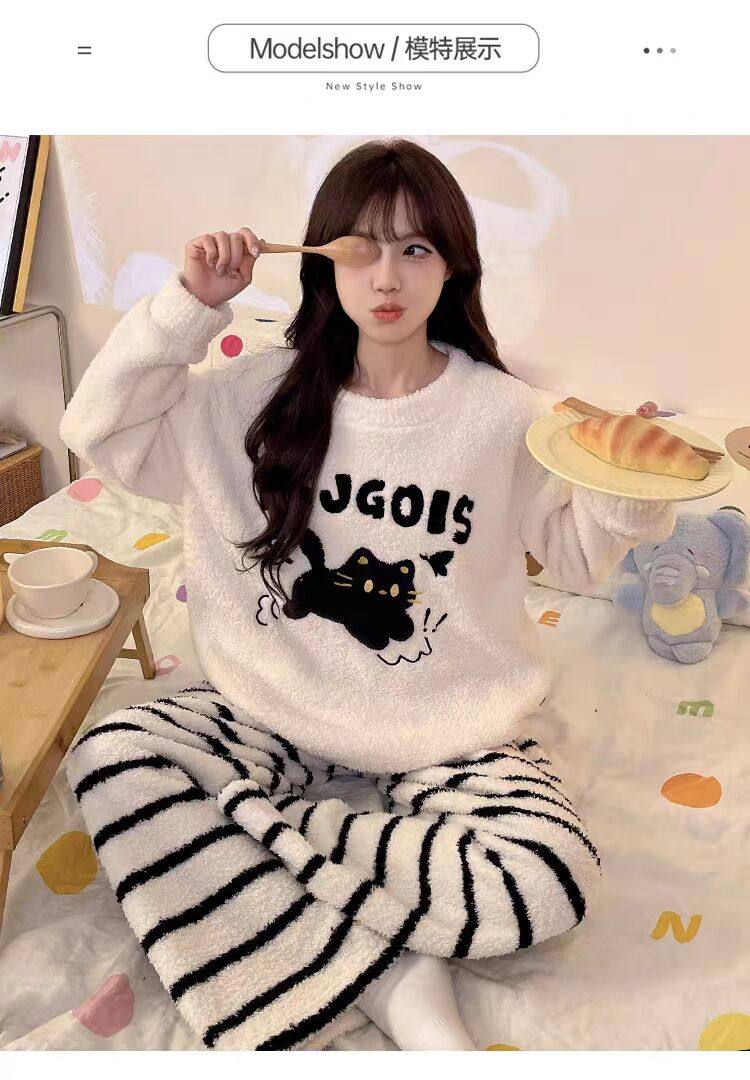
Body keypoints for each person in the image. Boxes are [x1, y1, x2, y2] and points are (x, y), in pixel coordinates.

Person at [59, 138, 677, 1052]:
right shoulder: (248, 397)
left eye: (416, 249)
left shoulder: (506, 414)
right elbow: (99, 432)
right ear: (322, 261)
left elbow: (577, 560)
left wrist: (628, 484)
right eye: (362, 249)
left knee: (545, 877)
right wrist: (188, 305)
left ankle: (267, 837)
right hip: (268, 705)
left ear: (453, 264)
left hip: (448, 726)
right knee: (113, 754)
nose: (387, 277)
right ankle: (391, 976)